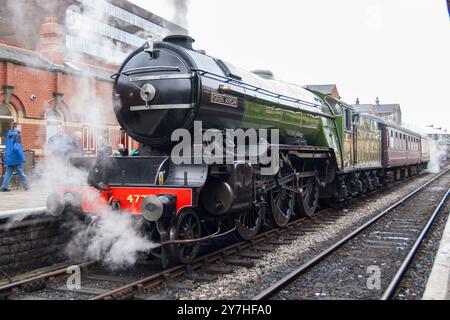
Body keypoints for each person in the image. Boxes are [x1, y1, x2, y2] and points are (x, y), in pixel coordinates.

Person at [1, 123, 30, 192]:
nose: (20, 129)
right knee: (20, 171)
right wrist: (21, 157)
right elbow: (17, 148)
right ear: (14, 128)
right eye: (19, 127)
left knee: (8, 172)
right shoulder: (17, 135)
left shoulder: (9, 135)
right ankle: (27, 185)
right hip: (15, 157)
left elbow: (8, 146)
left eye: (20, 127)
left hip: (9, 157)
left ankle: (4, 187)